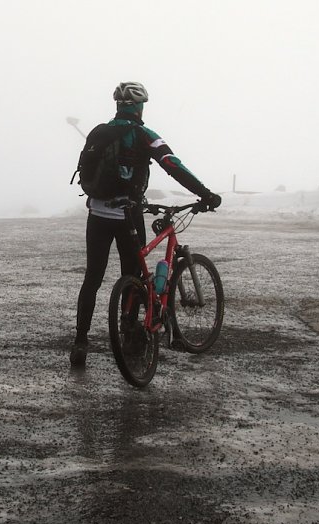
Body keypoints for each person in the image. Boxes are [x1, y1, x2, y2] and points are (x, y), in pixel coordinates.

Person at [69, 82, 221, 367]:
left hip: (98, 214)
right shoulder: (143, 134)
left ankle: (80, 342)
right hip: (128, 214)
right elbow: (172, 164)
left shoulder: (98, 132)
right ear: (139, 107)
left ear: (117, 106)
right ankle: (129, 333)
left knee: (93, 278)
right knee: (135, 275)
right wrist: (205, 194)